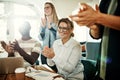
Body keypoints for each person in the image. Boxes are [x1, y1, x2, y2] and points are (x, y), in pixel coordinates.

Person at [70, 0, 120, 80]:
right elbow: (97, 35)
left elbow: (99, 18)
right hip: (102, 71)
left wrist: (98, 17)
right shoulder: (105, 2)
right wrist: (94, 26)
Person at [38, 2, 59, 71]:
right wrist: (43, 28)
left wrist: (51, 28)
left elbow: (59, 38)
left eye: (47, 7)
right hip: (44, 53)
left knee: (55, 73)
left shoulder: (58, 22)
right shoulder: (43, 22)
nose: (45, 9)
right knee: (45, 73)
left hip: (55, 53)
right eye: (44, 8)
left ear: (52, 9)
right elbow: (40, 38)